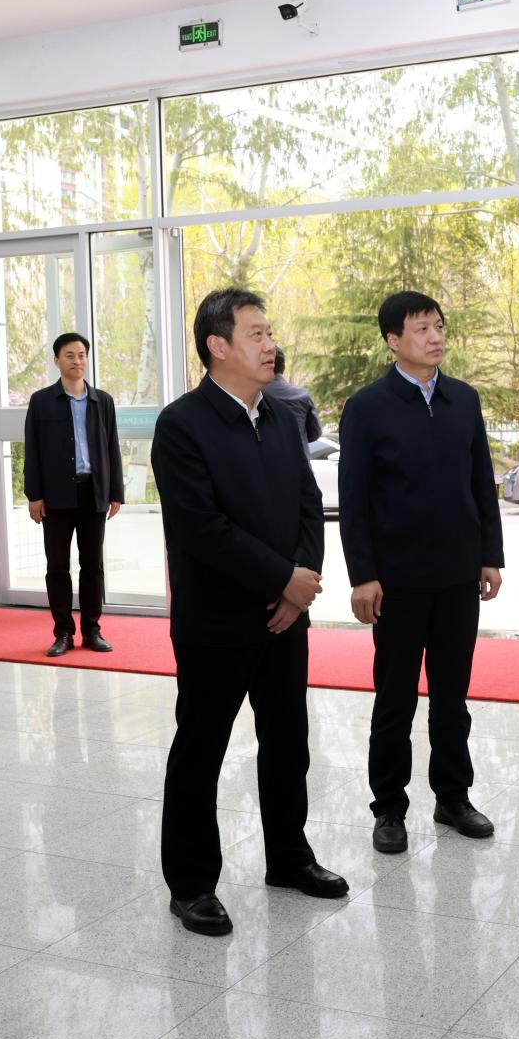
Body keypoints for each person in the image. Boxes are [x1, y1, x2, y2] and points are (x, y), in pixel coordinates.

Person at [151, 286, 349, 937]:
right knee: (201, 751)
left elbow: (308, 506)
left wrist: (299, 583)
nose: (271, 344)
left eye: (269, 332)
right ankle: (191, 885)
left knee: (288, 742)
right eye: (256, 334)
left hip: (285, 619)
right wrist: (282, 579)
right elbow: (202, 529)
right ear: (218, 346)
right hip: (217, 621)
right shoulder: (182, 425)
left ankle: (289, 858)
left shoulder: (284, 417)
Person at [338, 290, 503, 854]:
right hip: (398, 581)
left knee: (452, 697)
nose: (434, 337)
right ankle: (388, 808)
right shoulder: (367, 407)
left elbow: (481, 483)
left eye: (438, 326)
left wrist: (490, 555)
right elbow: (354, 499)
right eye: (421, 329)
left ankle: (453, 797)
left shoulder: (464, 399)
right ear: (393, 341)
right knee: (395, 700)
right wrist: (363, 574)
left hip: (458, 575)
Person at [23, 333, 123, 656]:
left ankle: (92, 631)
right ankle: (63, 633)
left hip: (93, 492)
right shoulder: (41, 401)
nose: (77, 361)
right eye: (70, 355)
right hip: (56, 496)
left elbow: (112, 447)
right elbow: (33, 451)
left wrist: (115, 492)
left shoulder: (102, 401)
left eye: (82, 355)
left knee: (93, 566)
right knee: (57, 567)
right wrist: (34, 495)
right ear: (57, 361)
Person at [265, 346, 324, 443]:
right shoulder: (303, 395)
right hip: (299, 451)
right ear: (284, 366)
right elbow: (315, 433)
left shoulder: (254, 397)